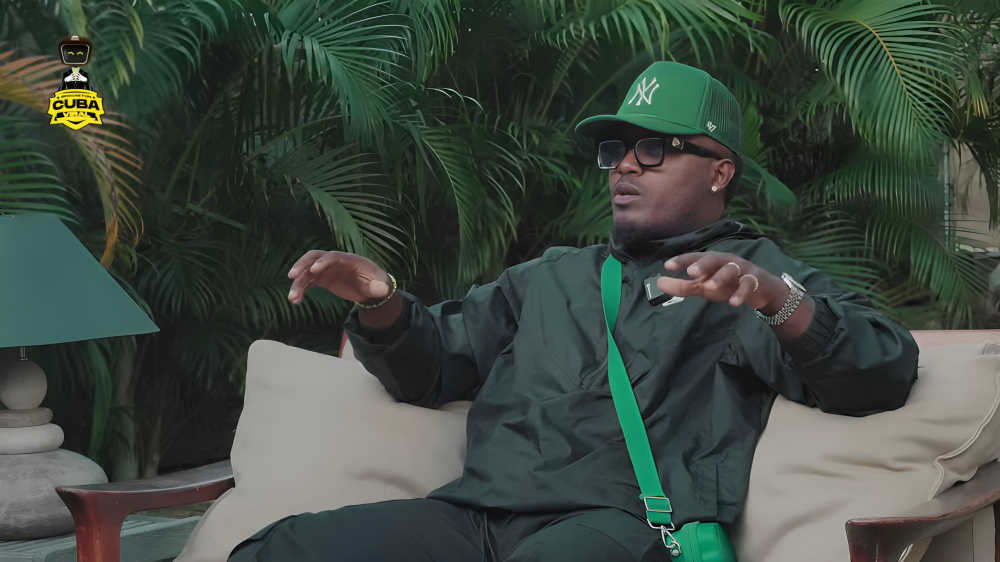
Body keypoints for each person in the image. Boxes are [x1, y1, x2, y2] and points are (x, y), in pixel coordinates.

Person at [229, 61, 919, 562]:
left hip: (617, 527)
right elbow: (431, 369)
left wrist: (776, 299)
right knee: (283, 549)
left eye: (654, 148)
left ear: (719, 171)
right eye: (617, 150)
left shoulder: (748, 279)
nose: (626, 166)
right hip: (477, 518)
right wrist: (381, 302)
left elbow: (881, 370)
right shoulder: (551, 276)